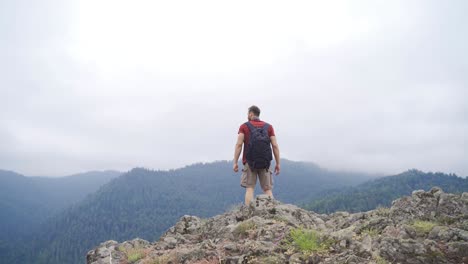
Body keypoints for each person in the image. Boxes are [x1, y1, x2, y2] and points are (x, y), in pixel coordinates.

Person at [233, 105, 281, 205]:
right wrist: (278, 163)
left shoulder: (244, 126)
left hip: (250, 162)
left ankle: (248, 214)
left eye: (248, 114)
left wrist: (235, 162)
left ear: (251, 114)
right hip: (265, 162)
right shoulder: (269, 127)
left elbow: (238, 144)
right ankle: (272, 211)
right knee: (267, 189)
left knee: (250, 188)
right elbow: (275, 145)